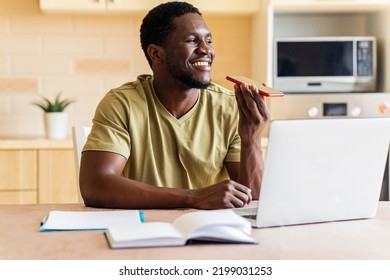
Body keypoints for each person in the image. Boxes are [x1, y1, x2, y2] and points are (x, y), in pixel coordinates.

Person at [79, 1, 269, 210]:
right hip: (142, 229)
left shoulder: (228, 107)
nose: (206, 50)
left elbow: (255, 201)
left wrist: (252, 139)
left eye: (208, 40)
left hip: (209, 233)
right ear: (156, 53)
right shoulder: (122, 104)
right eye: (192, 41)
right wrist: (193, 197)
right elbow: (95, 186)